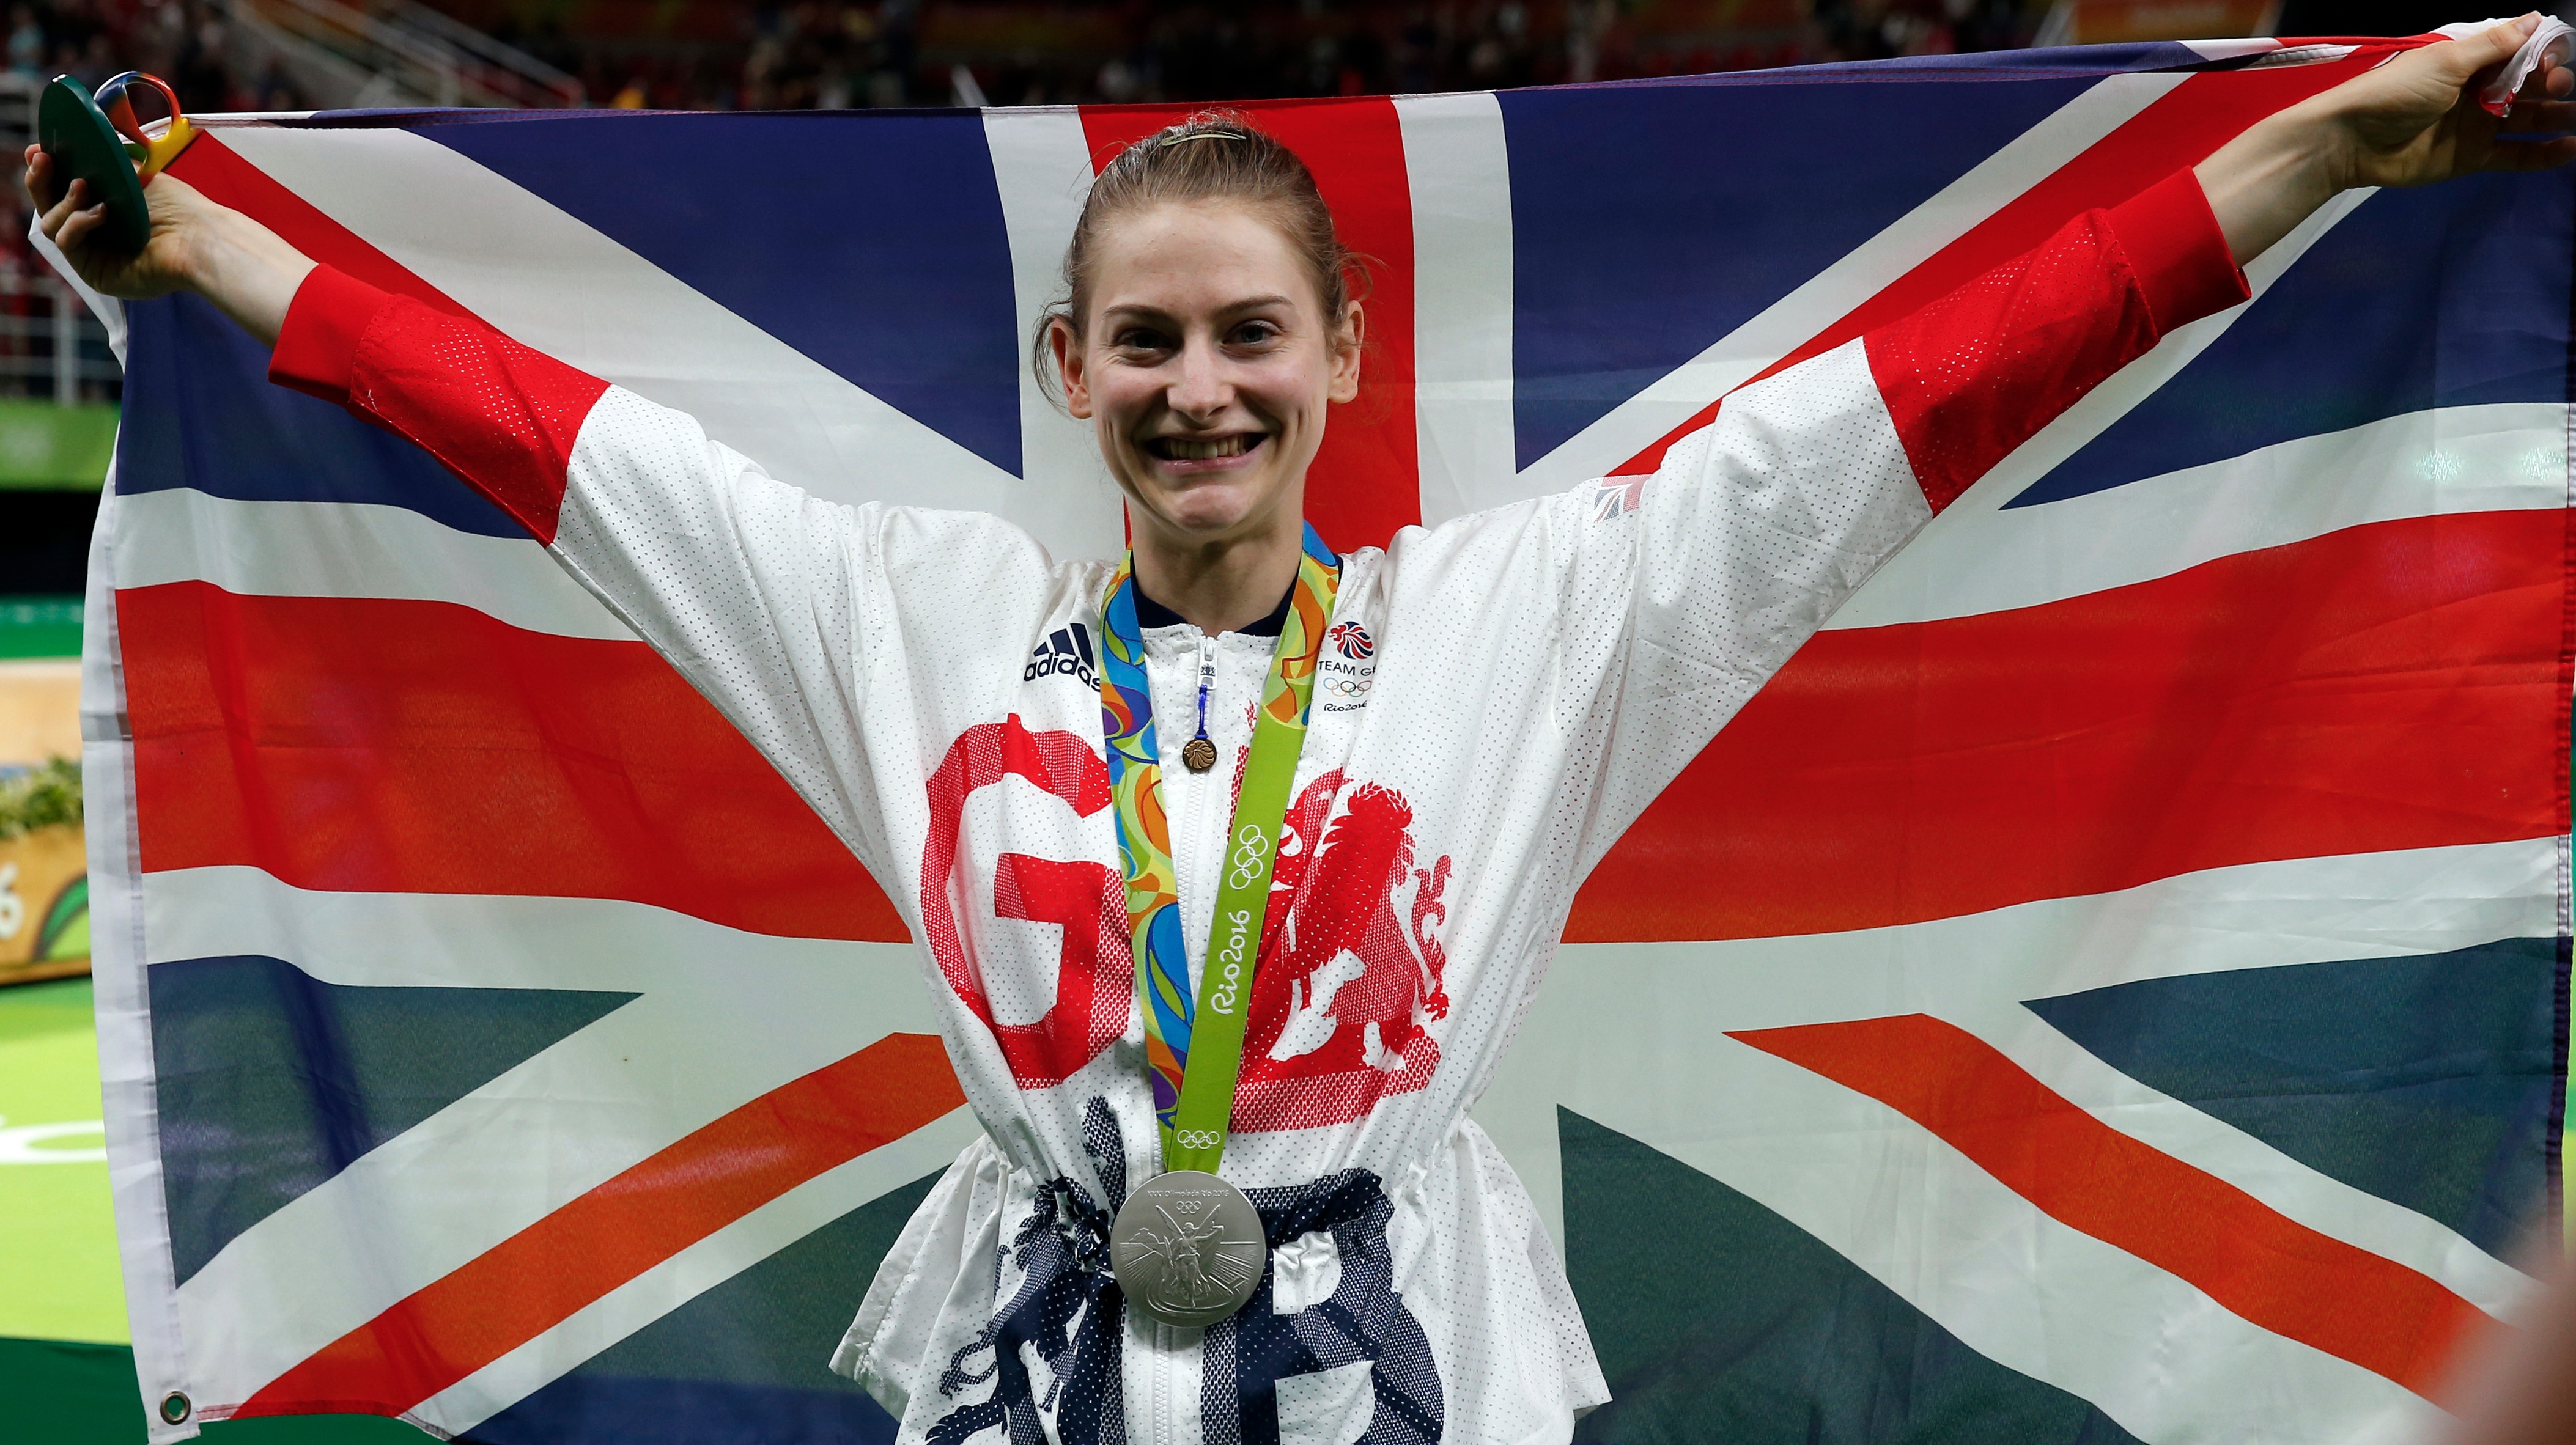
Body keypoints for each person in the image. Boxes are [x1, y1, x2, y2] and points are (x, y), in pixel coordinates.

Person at [30, 16, 2576, 1444]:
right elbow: (549, 436)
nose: (1200, 387)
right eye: (1145, 339)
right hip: (1031, 1374)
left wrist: (2318, 152)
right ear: (1070, 371)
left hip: (1414, 1375)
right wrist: (209, 250)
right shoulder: (903, 620)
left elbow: (1921, 398)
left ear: (1341, 357)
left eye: (1251, 333)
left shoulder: (1532, 619)